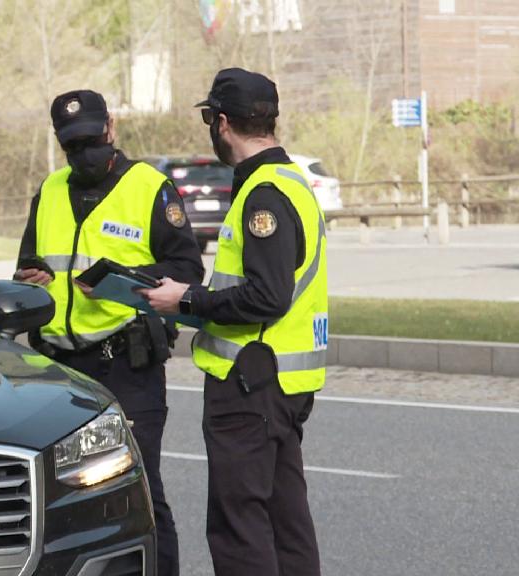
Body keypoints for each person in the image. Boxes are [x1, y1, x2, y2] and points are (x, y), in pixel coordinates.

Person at [139, 68, 326, 576]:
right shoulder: (290, 181)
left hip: (249, 384)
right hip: (281, 385)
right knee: (287, 524)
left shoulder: (263, 194)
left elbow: (267, 295)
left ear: (220, 123)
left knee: (238, 528)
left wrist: (187, 301)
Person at [14, 89, 203, 576]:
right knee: (60, 500)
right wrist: (29, 280)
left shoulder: (149, 186)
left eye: (92, 140)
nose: (84, 153)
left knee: (141, 492)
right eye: (73, 146)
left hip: (125, 365)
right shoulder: (50, 191)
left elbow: (187, 270)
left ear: (111, 128)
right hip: (60, 370)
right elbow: (29, 267)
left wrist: (123, 281)